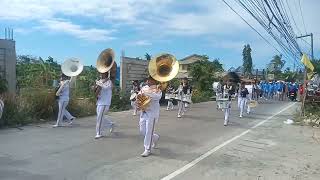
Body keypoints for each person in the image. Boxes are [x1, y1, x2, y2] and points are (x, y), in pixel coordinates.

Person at [138, 76, 161, 157]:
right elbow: (139, 96)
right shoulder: (144, 87)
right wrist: (137, 100)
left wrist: (146, 93)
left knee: (148, 131)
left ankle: (147, 149)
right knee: (142, 131)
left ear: (154, 80)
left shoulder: (158, 89)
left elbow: (157, 97)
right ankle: (155, 137)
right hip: (144, 112)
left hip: (152, 114)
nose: (148, 81)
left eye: (150, 79)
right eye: (147, 79)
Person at [94, 72, 115, 139]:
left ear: (105, 74)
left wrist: (99, 83)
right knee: (100, 117)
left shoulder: (109, 82)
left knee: (99, 117)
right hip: (99, 101)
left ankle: (99, 133)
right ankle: (110, 124)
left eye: (101, 74)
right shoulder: (99, 81)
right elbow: (96, 92)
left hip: (105, 102)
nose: (100, 75)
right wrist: (95, 87)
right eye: (100, 74)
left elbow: (106, 87)